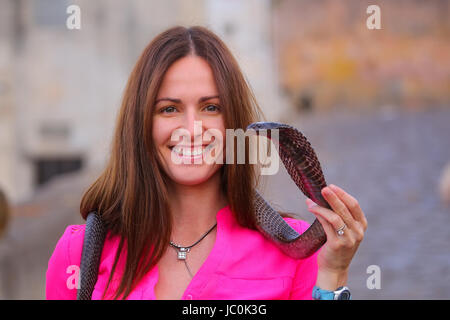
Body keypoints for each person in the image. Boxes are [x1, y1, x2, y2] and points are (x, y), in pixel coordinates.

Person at [46, 26, 367, 300]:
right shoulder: (78, 252)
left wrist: (334, 275)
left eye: (211, 108)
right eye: (169, 109)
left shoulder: (299, 252)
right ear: (140, 125)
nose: (192, 128)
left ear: (234, 122)